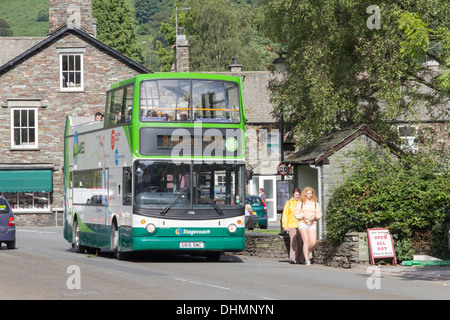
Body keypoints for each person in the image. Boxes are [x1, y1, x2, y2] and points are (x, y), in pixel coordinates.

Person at [294, 187, 321, 265]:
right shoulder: (301, 203)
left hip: (312, 223)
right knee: (306, 241)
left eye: (311, 193)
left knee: (313, 242)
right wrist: (303, 216)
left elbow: (319, 214)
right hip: (303, 223)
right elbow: (296, 214)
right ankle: (307, 259)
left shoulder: (315, 203)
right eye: (308, 193)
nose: (309, 195)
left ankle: (307, 253)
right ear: (305, 194)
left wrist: (314, 216)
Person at [281, 187, 304, 264]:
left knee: (301, 241)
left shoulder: (302, 203)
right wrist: (285, 226)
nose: (297, 196)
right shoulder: (289, 203)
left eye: (298, 195)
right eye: (296, 194)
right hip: (291, 225)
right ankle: (293, 258)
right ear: (293, 194)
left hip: (301, 225)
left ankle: (300, 258)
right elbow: (285, 215)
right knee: (293, 241)